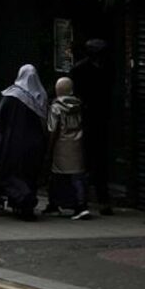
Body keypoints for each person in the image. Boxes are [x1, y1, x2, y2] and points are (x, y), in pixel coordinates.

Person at [0, 64, 48, 221]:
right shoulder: (41, 95)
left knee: (12, 173)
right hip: (35, 144)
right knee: (30, 175)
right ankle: (27, 203)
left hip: (13, 143)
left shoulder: (12, 95)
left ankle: (22, 199)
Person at [70, 38, 113, 215]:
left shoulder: (107, 68)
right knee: (86, 160)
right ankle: (83, 200)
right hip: (86, 119)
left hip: (100, 119)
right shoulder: (80, 70)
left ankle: (101, 198)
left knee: (99, 160)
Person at [45, 77, 91, 220]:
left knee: (56, 177)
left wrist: (49, 149)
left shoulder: (56, 107)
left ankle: (55, 203)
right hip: (77, 145)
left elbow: (53, 130)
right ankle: (81, 205)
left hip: (61, 147)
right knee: (77, 177)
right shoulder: (79, 105)